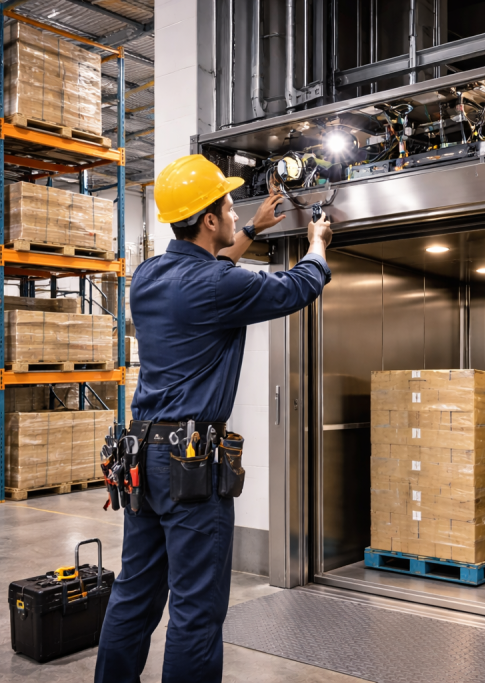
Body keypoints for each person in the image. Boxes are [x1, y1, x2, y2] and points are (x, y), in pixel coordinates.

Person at [94, 154, 332, 683]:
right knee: (196, 611)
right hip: (190, 465)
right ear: (207, 220)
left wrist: (251, 231)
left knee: (134, 595)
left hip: (141, 459)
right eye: (228, 207)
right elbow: (297, 287)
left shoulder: (147, 276)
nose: (234, 212)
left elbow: (208, 274)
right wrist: (317, 245)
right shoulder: (221, 285)